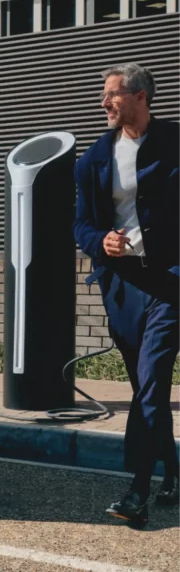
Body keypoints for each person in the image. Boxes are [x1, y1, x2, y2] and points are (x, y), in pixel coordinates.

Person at [74, 63, 179, 527]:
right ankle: (173, 473)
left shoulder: (175, 142)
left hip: (170, 281)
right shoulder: (93, 159)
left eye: (112, 94)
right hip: (124, 287)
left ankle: (138, 490)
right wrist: (102, 243)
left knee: (153, 379)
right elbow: (80, 225)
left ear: (139, 97)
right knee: (144, 388)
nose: (104, 103)